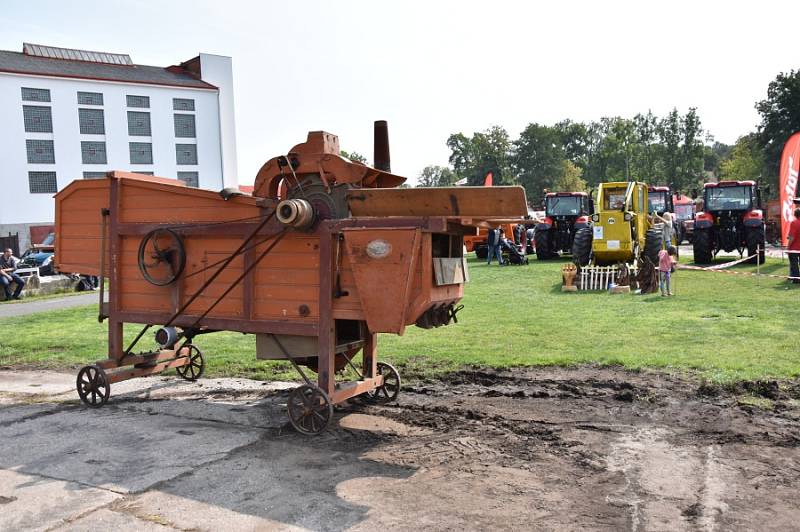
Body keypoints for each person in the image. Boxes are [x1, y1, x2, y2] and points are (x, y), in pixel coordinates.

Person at [787, 207, 800, 285]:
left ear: (795, 214)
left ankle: (796, 279)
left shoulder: (794, 223)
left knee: (794, 264)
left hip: (794, 248)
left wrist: (788, 247)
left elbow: (791, 237)